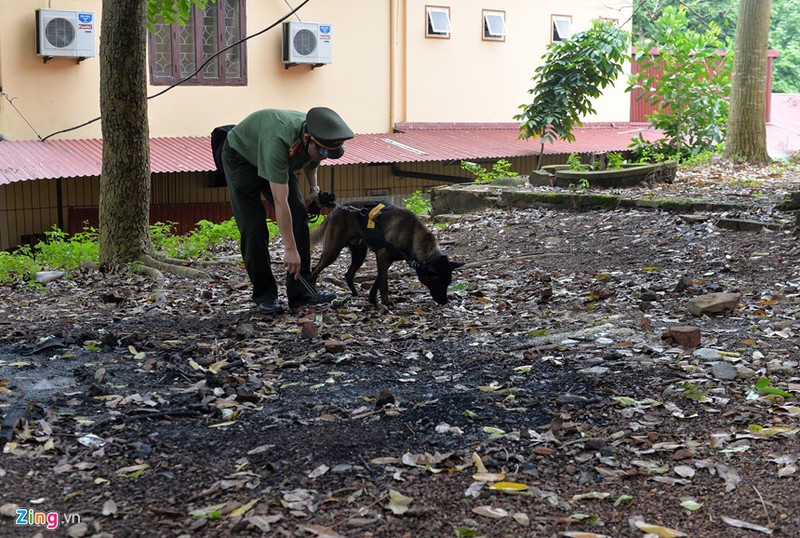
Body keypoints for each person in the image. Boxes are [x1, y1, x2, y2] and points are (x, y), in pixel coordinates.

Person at [221, 107, 354, 314]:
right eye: (321, 151)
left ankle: (301, 293)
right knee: (253, 227)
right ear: (307, 138)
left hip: (278, 155)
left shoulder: (318, 134)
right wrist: (290, 249)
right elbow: (279, 201)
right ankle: (265, 295)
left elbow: (313, 161)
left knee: (299, 213)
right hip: (242, 157)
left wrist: (314, 191)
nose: (323, 156)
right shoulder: (279, 142)